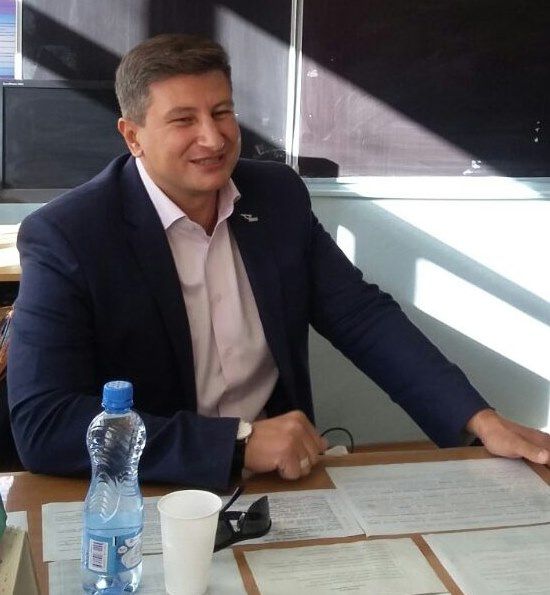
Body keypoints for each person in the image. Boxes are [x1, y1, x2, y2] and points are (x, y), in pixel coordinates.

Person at [8, 34, 549, 490]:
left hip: (280, 479)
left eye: (222, 112)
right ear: (133, 136)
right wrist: (236, 444)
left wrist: (477, 420)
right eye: (183, 119)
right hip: (148, 489)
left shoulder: (276, 197)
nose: (213, 137)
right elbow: (44, 423)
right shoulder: (69, 236)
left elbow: (362, 317)